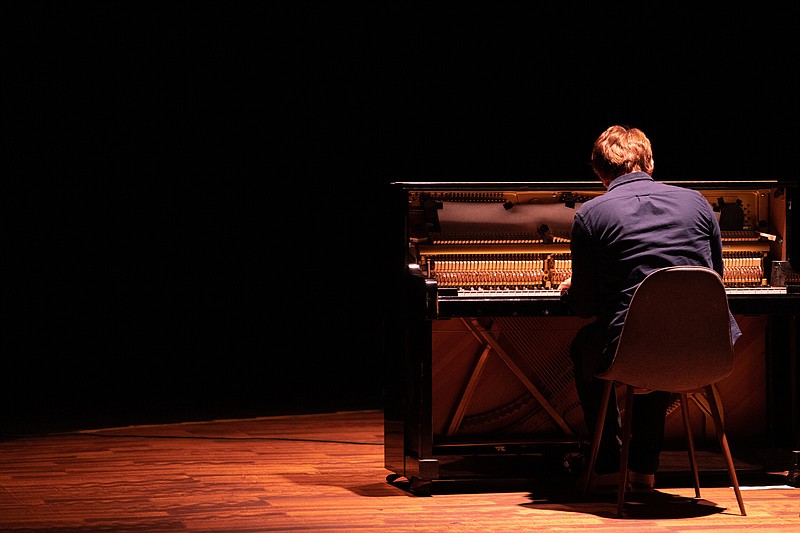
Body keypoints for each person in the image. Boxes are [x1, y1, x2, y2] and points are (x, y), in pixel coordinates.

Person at [558, 124, 742, 494]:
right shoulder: (699, 204)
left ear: (599, 172)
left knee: (597, 344)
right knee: (661, 333)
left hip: (635, 350)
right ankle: (644, 470)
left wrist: (570, 289)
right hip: (708, 349)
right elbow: (715, 279)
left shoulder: (592, 214)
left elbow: (585, 306)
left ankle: (609, 464)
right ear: (651, 162)